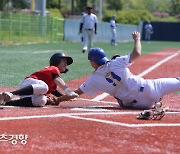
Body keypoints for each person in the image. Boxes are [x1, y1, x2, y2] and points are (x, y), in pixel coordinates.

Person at [54, 31, 180, 110]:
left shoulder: (93, 79)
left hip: (139, 105)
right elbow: (137, 52)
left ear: (92, 62)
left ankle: (142, 103)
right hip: (150, 87)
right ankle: (154, 100)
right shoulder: (116, 62)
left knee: (121, 100)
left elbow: (74, 94)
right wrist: (137, 39)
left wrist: (58, 100)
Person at [0, 52, 78, 107]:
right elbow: (57, 79)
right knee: (44, 87)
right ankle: (11, 94)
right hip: (28, 83)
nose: (66, 64)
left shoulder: (53, 81)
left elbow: (54, 91)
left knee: (42, 100)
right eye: (64, 61)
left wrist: (64, 98)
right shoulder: (54, 68)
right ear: (56, 61)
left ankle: (7, 103)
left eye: (66, 62)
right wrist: (68, 91)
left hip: (31, 92)